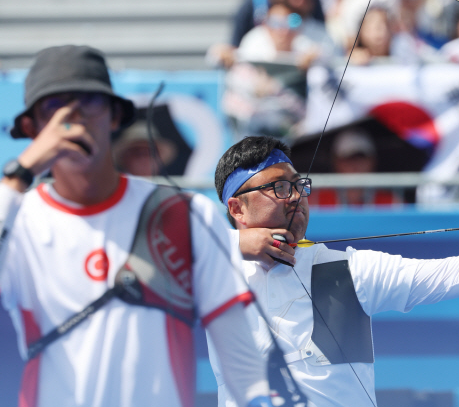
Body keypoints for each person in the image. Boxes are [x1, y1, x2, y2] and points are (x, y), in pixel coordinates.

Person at [211, 135, 459, 406]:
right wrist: (235, 245)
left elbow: (453, 274)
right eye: (279, 188)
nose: (296, 196)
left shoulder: (344, 270)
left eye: (299, 185)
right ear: (237, 208)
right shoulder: (210, 271)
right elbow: (152, 260)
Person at [0, 45, 275, 407]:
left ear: (114, 116)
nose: (72, 120)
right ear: (31, 127)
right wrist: (22, 170)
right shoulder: (19, 219)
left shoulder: (186, 214)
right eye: (54, 107)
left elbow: (241, 363)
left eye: (88, 103)